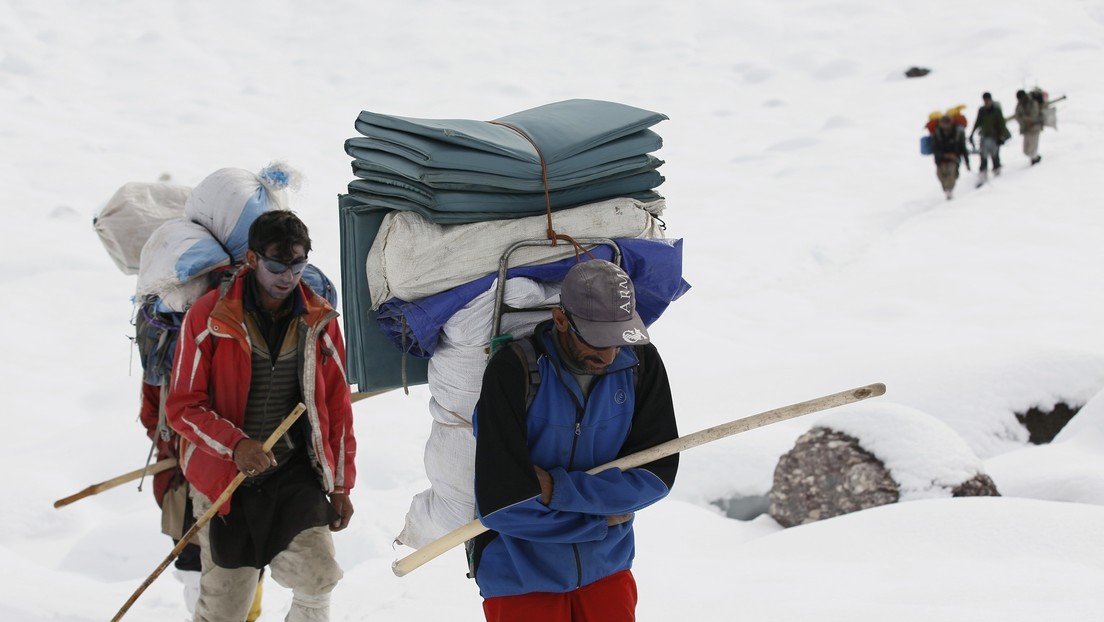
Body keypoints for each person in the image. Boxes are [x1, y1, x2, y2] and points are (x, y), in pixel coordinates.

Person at [166, 209, 356, 622]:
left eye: (297, 264)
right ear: (252, 260)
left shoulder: (319, 319)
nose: (287, 277)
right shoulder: (210, 316)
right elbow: (183, 406)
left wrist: (341, 484)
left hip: (291, 472)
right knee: (225, 610)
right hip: (224, 480)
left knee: (319, 576)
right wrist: (236, 445)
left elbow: (337, 408)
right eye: (276, 265)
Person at [470, 258, 679, 622]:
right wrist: (600, 522)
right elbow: (503, 505)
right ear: (561, 319)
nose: (610, 354)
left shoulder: (641, 363)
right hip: (520, 578)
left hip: (608, 570)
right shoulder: (513, 370)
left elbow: (656, 476)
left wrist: (558, 491)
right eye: (597, 340)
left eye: (618, 338)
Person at [969, 92, 1011, 186]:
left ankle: (997, 172)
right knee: (983, 156)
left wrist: (1002, 136)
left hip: (995, 137)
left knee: (994, 155)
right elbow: (977, 122)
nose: (986, 102)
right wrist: (972, 133)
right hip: (984, 137)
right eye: (985, 100)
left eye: (987, 100)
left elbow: (1001, 124)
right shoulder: (982, 111)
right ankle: (983, 177)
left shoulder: (996, 110)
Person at [931, 114, 971, 200]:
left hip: (954, 160)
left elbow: (963, 149)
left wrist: (967, 162)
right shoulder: (937, 134)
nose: (945, 126)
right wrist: (946, 155)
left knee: (951, 173)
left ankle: (949, 192)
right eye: (943, 123)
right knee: (940, 175)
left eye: (946, 123)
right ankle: (947, 191)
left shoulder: (957, 133)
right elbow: (935, 150)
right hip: (941, 160)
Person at [1014, 89, 1043, 165]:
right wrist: (1024, 120)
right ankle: (1035, 158)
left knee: (1032, 149)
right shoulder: (1019, 105)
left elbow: (1033, 117)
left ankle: (1035, 161)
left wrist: (1023, 119)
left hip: (1034, 128)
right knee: (1025, 151)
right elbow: (1017, 116)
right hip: (1025, 129)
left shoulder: (1033, 103)